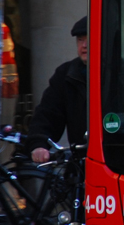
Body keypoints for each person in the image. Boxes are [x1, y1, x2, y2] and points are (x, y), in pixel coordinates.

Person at [27, 17, 88, 163]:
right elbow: (49, 113)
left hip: (117, 163)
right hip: (81, 164)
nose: (84, 45)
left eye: (90, 39)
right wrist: (39, 144)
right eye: (80, 40)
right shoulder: (66, 74)